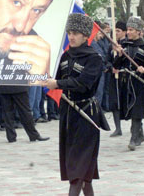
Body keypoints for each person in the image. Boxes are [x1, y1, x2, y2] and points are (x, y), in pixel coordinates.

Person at [43, 13, 109, 196]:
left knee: (79, 164)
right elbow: (53, 75)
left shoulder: (94, 58)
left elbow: (83, 83)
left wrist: (58, 84)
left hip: (86, 112)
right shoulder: (63, 55)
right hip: (67, 112)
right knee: (76, 160)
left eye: (76, 33)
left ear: (86, 35)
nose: (71, 36)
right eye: (69, 32)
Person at [112, 17, 144, 151]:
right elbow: (115, 65)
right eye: (128, 29)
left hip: (140, 83)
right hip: (126, 82)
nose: (128, 32)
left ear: (139, 32)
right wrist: (119, 55)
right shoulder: (124, 46)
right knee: (130, 110)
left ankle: (134, 137)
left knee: (137, 109)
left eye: (131, 30)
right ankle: (140, 134)